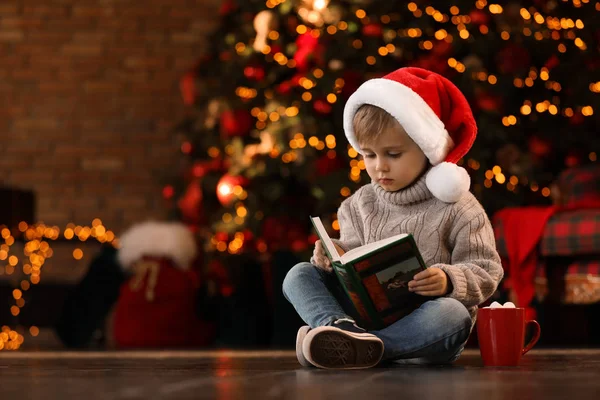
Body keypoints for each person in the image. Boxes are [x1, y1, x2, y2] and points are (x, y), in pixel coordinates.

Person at [282, 67, 504, 369]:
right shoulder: (358, 204)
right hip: (364, 314)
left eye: (393, 154)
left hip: (425, 325)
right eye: (369, 155)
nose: (379, 167)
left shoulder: (459, 206)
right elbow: (353, 264)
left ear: (427, 149)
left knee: (453, 315)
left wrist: (448, 279)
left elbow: (487, 270)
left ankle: (364, 346)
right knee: (298, 274)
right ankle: (341, 328)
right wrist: (332, 256)